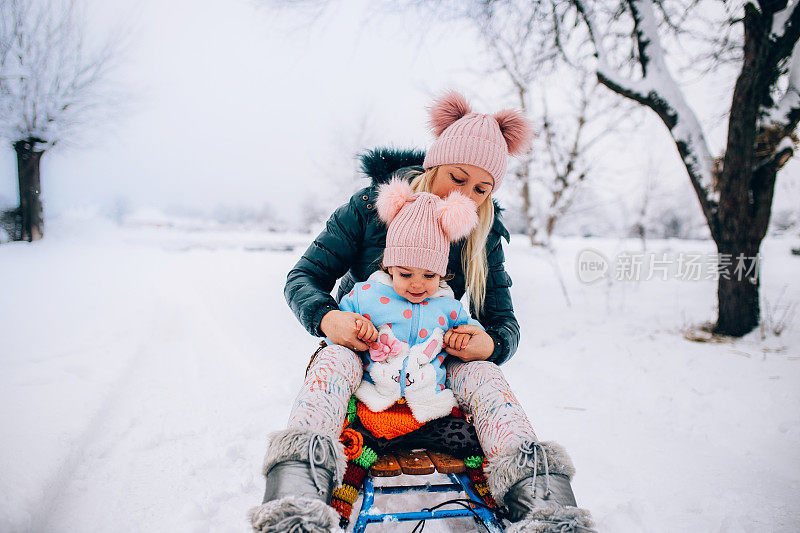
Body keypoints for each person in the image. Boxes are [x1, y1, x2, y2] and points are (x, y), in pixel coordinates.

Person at [249, 91, 596, 533]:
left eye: (481, 188)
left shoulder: (480, 231)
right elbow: (303, 278)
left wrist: (490, 342)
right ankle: (294, 500)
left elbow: (502, 320)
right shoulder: (371, 207)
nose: (466, 195)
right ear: (434, 165)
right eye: (457, 177)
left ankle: (543, 504)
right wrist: (329, 318)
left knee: (486, 376)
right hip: (363, 351)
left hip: (433, 363)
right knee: (333, 362)